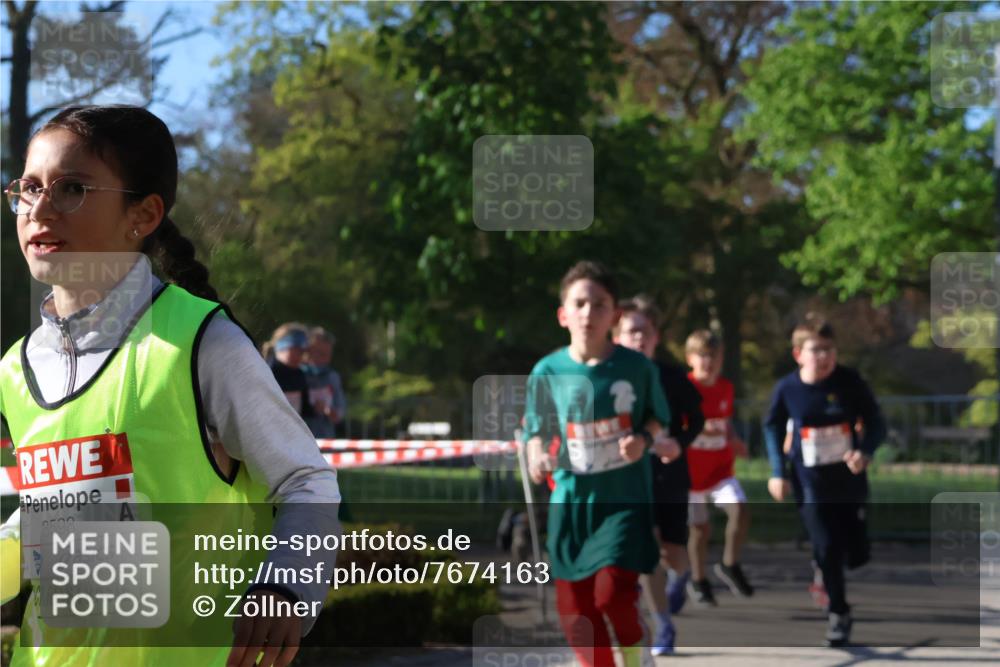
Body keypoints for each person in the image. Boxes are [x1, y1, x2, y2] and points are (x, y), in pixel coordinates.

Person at [0, 105, 341, 667]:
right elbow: (50, 518)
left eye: (71, 189)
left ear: (144, 214)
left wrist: (285, 589)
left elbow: (306, 482)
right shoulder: (16, 368)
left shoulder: (204, 342)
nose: (39, 209)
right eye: (28, 188)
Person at [522, 261, 675, 667]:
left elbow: (659, 418)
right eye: (580, 303)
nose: (589, 312)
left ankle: (638, 657)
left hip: (624, 500)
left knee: (612, 596)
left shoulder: (635, 367)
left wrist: (642, 440)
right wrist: (537, 453)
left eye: (599, 304)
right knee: (575, 613)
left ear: (615, 314)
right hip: (572, 502)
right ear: (563, 314)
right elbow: (535, 430)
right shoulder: (548, 371)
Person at [763, 313, 885, 647]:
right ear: (798, 353)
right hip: (810, 481)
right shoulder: (788, 389)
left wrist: (866, 451)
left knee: (856, 553)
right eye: (816, 350)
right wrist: (777, 471)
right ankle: (838, 612)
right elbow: (772, 427)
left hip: (848, 479)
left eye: (829, 349)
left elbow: (876, 421)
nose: (824, 357)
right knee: (827, 546)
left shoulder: (849, 381)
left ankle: (826, 568)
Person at [613, 295, 704, 656]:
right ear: (617, 335)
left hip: (668, 473)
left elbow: (695, 420)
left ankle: (681, 578)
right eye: (631, 331)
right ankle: (662, 623)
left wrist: (678, 444)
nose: (639, 338)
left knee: (673, 552)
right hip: (629, 477)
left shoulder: (672, 377)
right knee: (646, 549)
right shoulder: (610, 377)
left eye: (645, 332)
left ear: (656, 337)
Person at [684, 330, 754, 604]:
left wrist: (735, 439)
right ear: (690, 358)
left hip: (720, 471)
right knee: (699, 530)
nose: (707, 362)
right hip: (691, 475)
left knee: (741, 511)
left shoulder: (725, 387)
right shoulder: (685, 388)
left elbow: (724, 422)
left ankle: (729, 563)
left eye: (712, 356)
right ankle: (699, 579)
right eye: (701, 356)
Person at [265, 323, 317, 423]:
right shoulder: (267, 373)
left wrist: (315, 409)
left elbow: (304, 410)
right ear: (281, 348)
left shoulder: (299, 375)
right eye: (296, 351)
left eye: (302, 352)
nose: (300, 356)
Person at [303, 327, 347, 439]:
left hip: (325, 440)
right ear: (307, 350)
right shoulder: (295, 375)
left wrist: (331, 412)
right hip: (298, 439)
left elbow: (340, 411)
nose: (324, 359)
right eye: (320, 353)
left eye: (327, 355)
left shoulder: (332, 377)